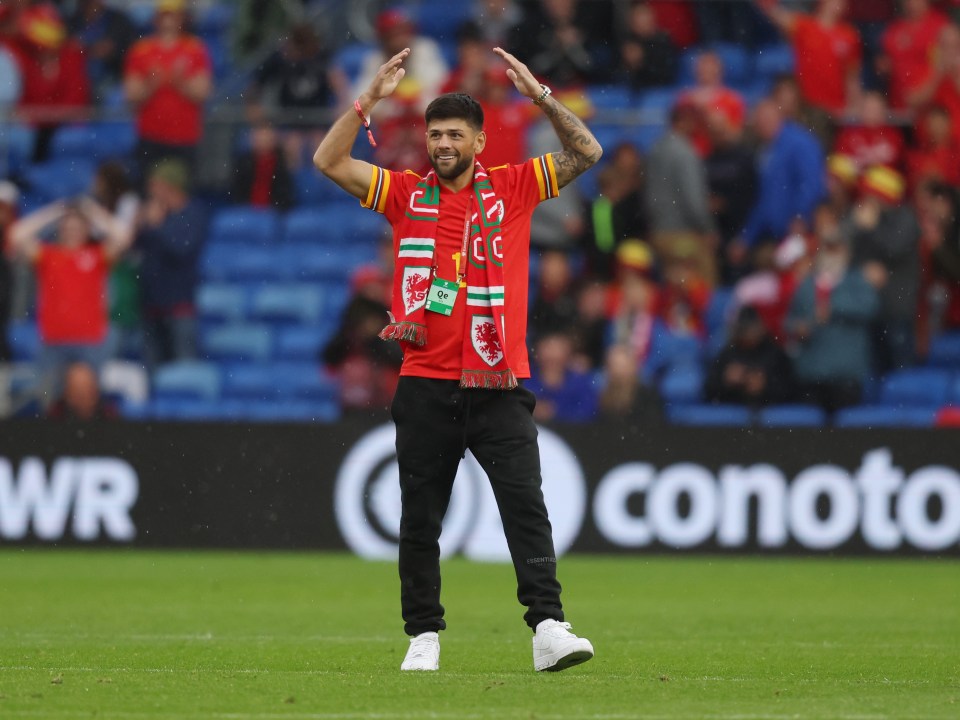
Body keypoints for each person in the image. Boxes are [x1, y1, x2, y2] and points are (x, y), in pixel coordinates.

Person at [314, 45, 601, 673]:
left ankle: (549, 628)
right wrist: (368, 101)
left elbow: (587, 154)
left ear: (479, 139)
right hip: (424, 384)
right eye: (435, 133)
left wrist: (542, 97)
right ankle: (423, 636)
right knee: (420, 518)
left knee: (524, 507)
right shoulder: (404, 195)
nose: (443, 143)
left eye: (455, 135)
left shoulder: (514, 187)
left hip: (499, 384)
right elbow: (328, 159)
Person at [8, 197, 132, 403]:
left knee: (84, 394)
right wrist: (55, 211)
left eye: (77, 227)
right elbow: (17, 235)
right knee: (48, 399)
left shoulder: (96, 255)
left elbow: (124, 237)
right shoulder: (48, 256)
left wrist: (91, 210)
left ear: (86, 230)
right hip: (54, 340)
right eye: (68, 227)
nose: (72, 231)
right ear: (61, 230)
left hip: (89, 341)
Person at [123, 0, 212, 178]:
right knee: (148, 191)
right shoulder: (141, 50)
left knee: (181, 193)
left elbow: (203, 92)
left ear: (182, 18)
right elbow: (131, 94)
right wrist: (153, 84)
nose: (169, 20)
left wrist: (178, 82)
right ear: (156, 17)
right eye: (165, 14)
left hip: (184, 136)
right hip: (151, 135)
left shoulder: (195, 48)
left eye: (173, 14)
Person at [135, 159, 208, 368]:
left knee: (184, 368)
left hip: (179, 305)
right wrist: (140, 225)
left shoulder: (193, 213)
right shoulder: (155, 212)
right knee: (153, 369)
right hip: (151, 305)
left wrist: (158, 226)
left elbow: (181, 249)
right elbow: (136, 248)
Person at [759, 0, 862, 117]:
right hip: (807, 107)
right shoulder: (805, 27)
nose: (838, 4)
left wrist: (855, 106)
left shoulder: (849, 36)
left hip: (837, 109)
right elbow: (778, 16)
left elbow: (852, 77)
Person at [47, 360, 118, 420]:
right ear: (66, 394)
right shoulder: (55, 415)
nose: (84, 397)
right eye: (77, 393)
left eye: (88, 390)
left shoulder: (109, 415)